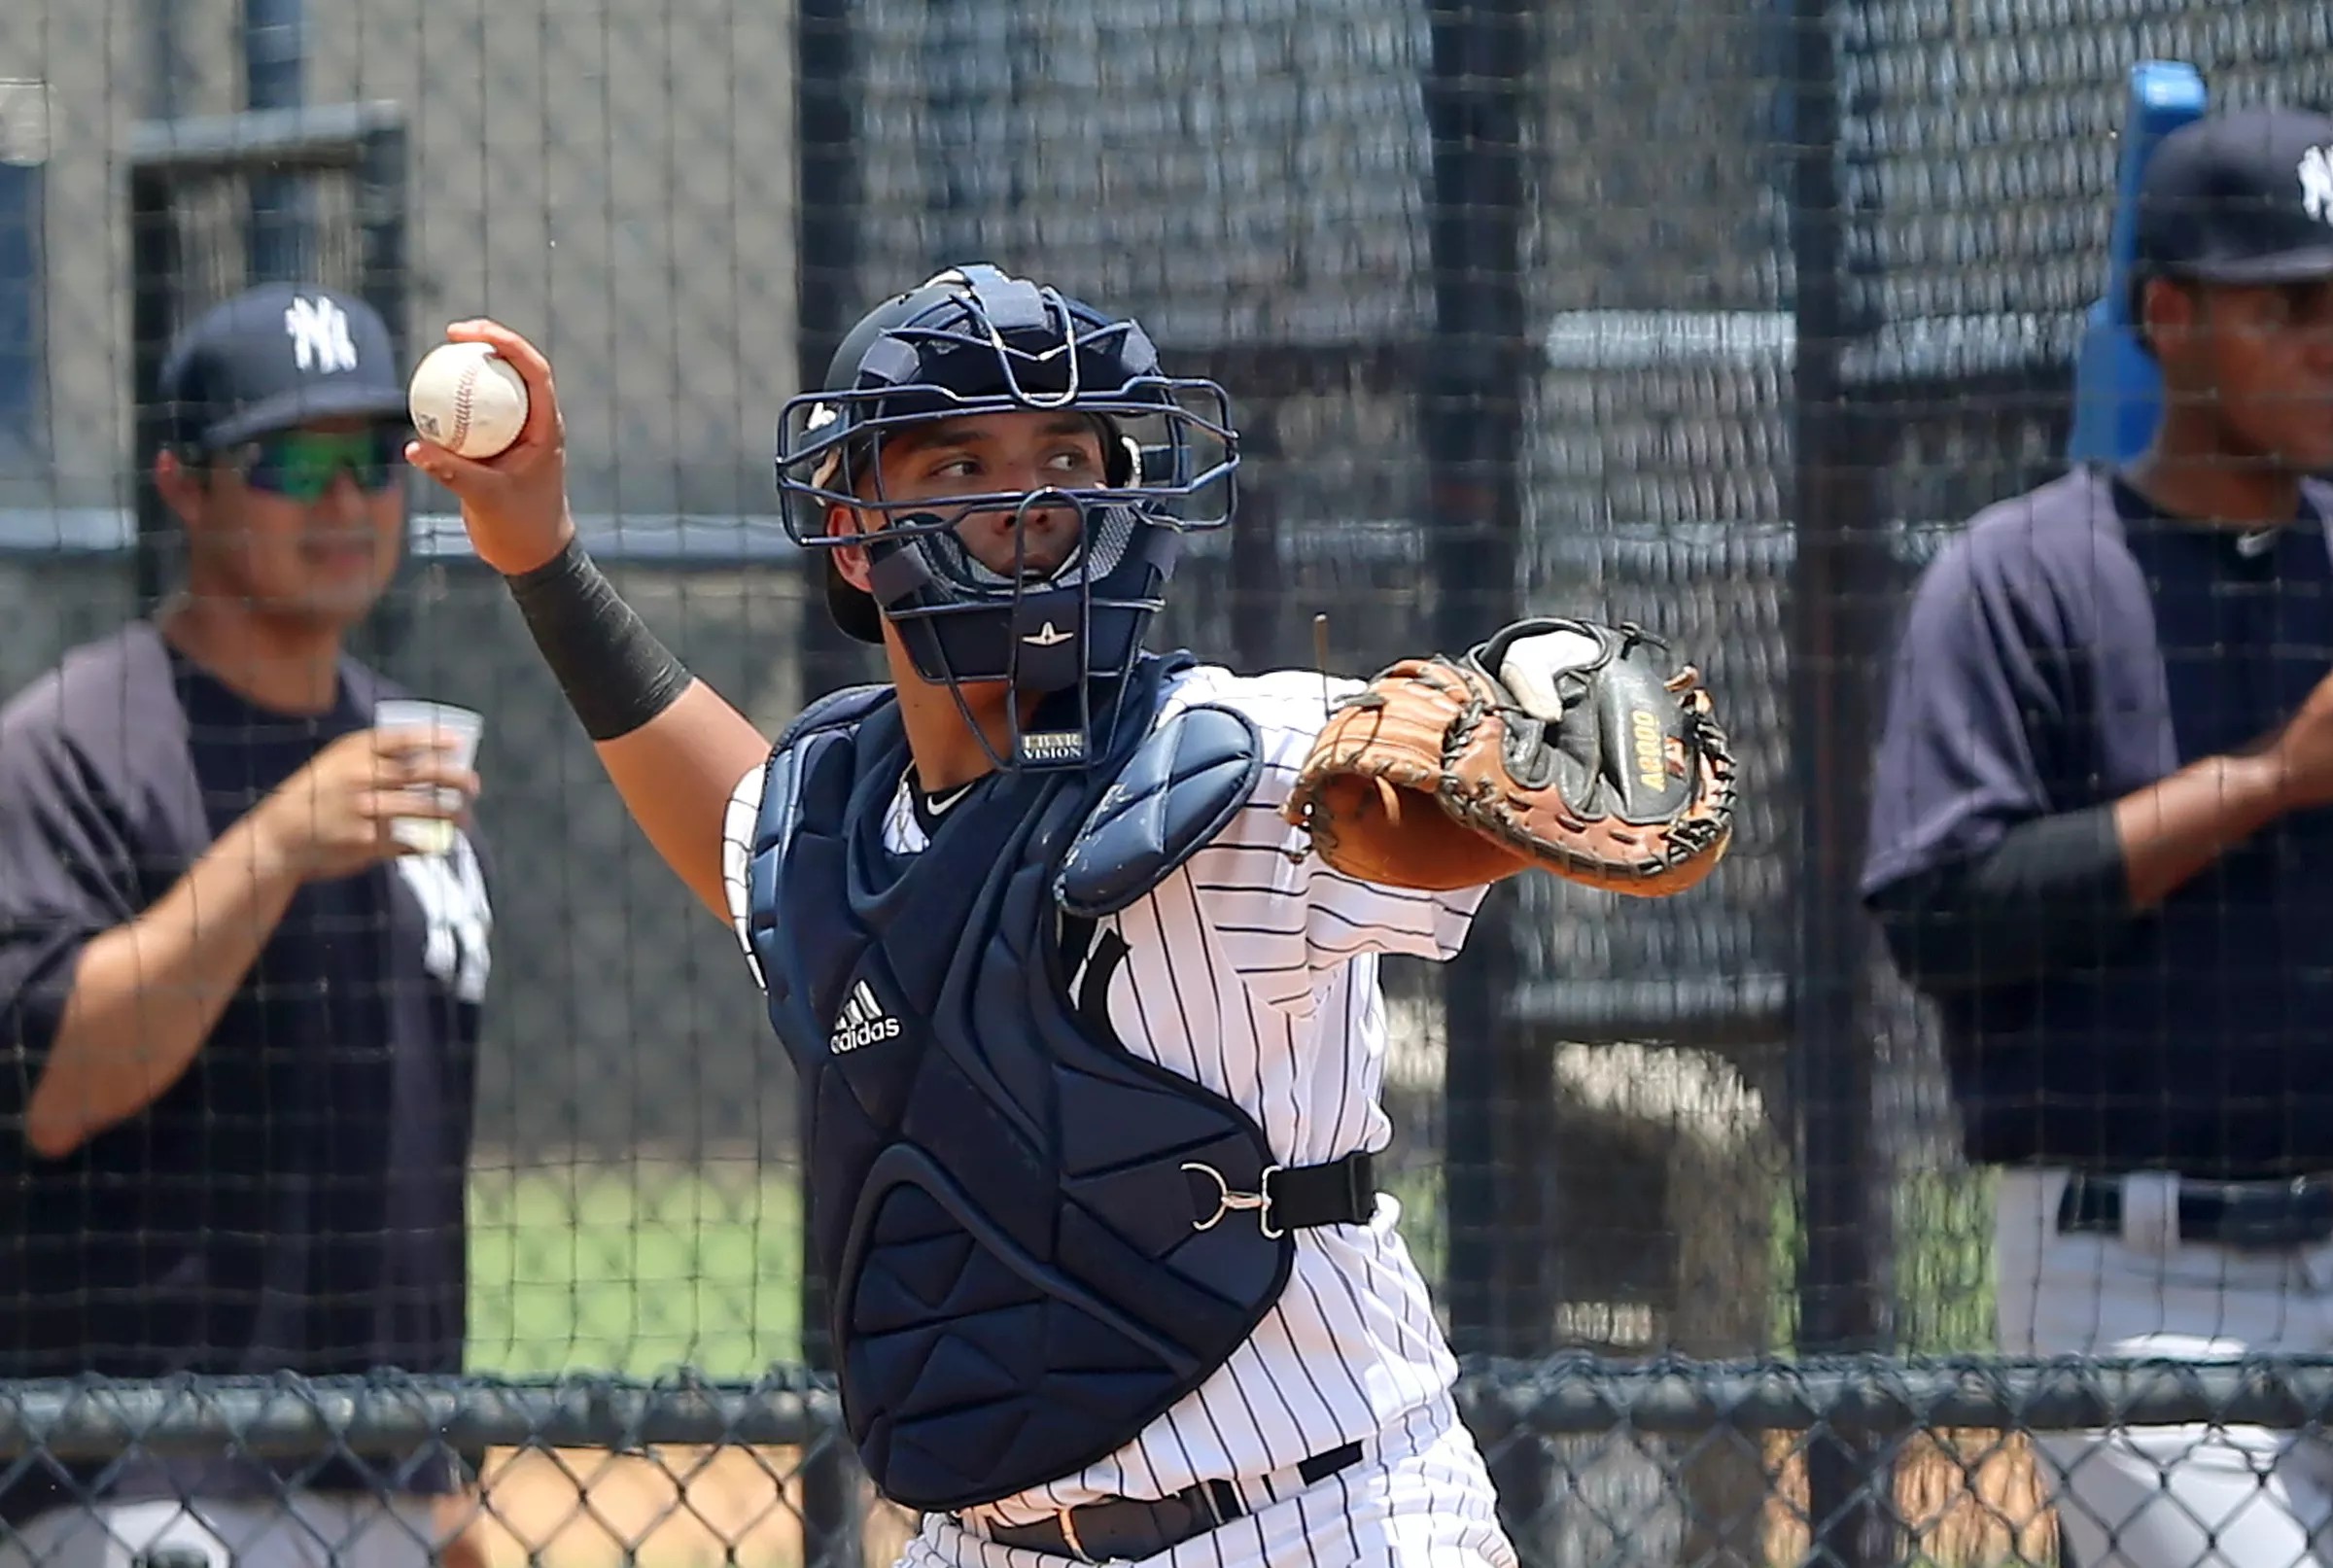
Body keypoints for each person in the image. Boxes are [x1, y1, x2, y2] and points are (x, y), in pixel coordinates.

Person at [408, 261, 1734, 1566]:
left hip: (1320, 1518)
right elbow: (732, 824)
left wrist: (1536, 762)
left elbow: (1413, 809)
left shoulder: (1227, 756)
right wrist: (540, 556)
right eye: (961, 466)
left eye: (1065, 454)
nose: (1031, 498)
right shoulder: (835, 815)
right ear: (855, 532)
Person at [1861, 105, 2333, 1567]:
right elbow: (1942, 906)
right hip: (2130, 1271)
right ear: (2171, 317)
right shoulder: (2021, 579)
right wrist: (2268, 779)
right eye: (2289, 306)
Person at [0, 283, 495, 1568]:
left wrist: (440, 1479)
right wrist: (275, 844)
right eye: (288, 461)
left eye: (372, 459)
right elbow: (56, 1086)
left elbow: (409, 1156)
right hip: (140, 1478)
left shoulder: (405, 751)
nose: (344, 502)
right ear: (185, 486)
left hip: (385, 1471)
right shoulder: (73, 746)